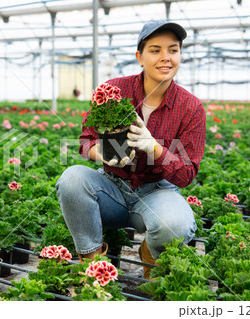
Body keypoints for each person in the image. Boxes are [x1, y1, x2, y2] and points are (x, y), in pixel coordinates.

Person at [56, 20, 206, 279]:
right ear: (140, 56)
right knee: (72, 179)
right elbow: (85, 141)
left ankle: (152, 254)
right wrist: (101, 154)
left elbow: (187, 174)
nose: (165, 58)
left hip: (156, 192)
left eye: (173, 50)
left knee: (176, 224)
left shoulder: (191, 107)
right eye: (155, 50)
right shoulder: (114, 90)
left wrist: (155, 148)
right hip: (111, 187)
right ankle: (92, 265)